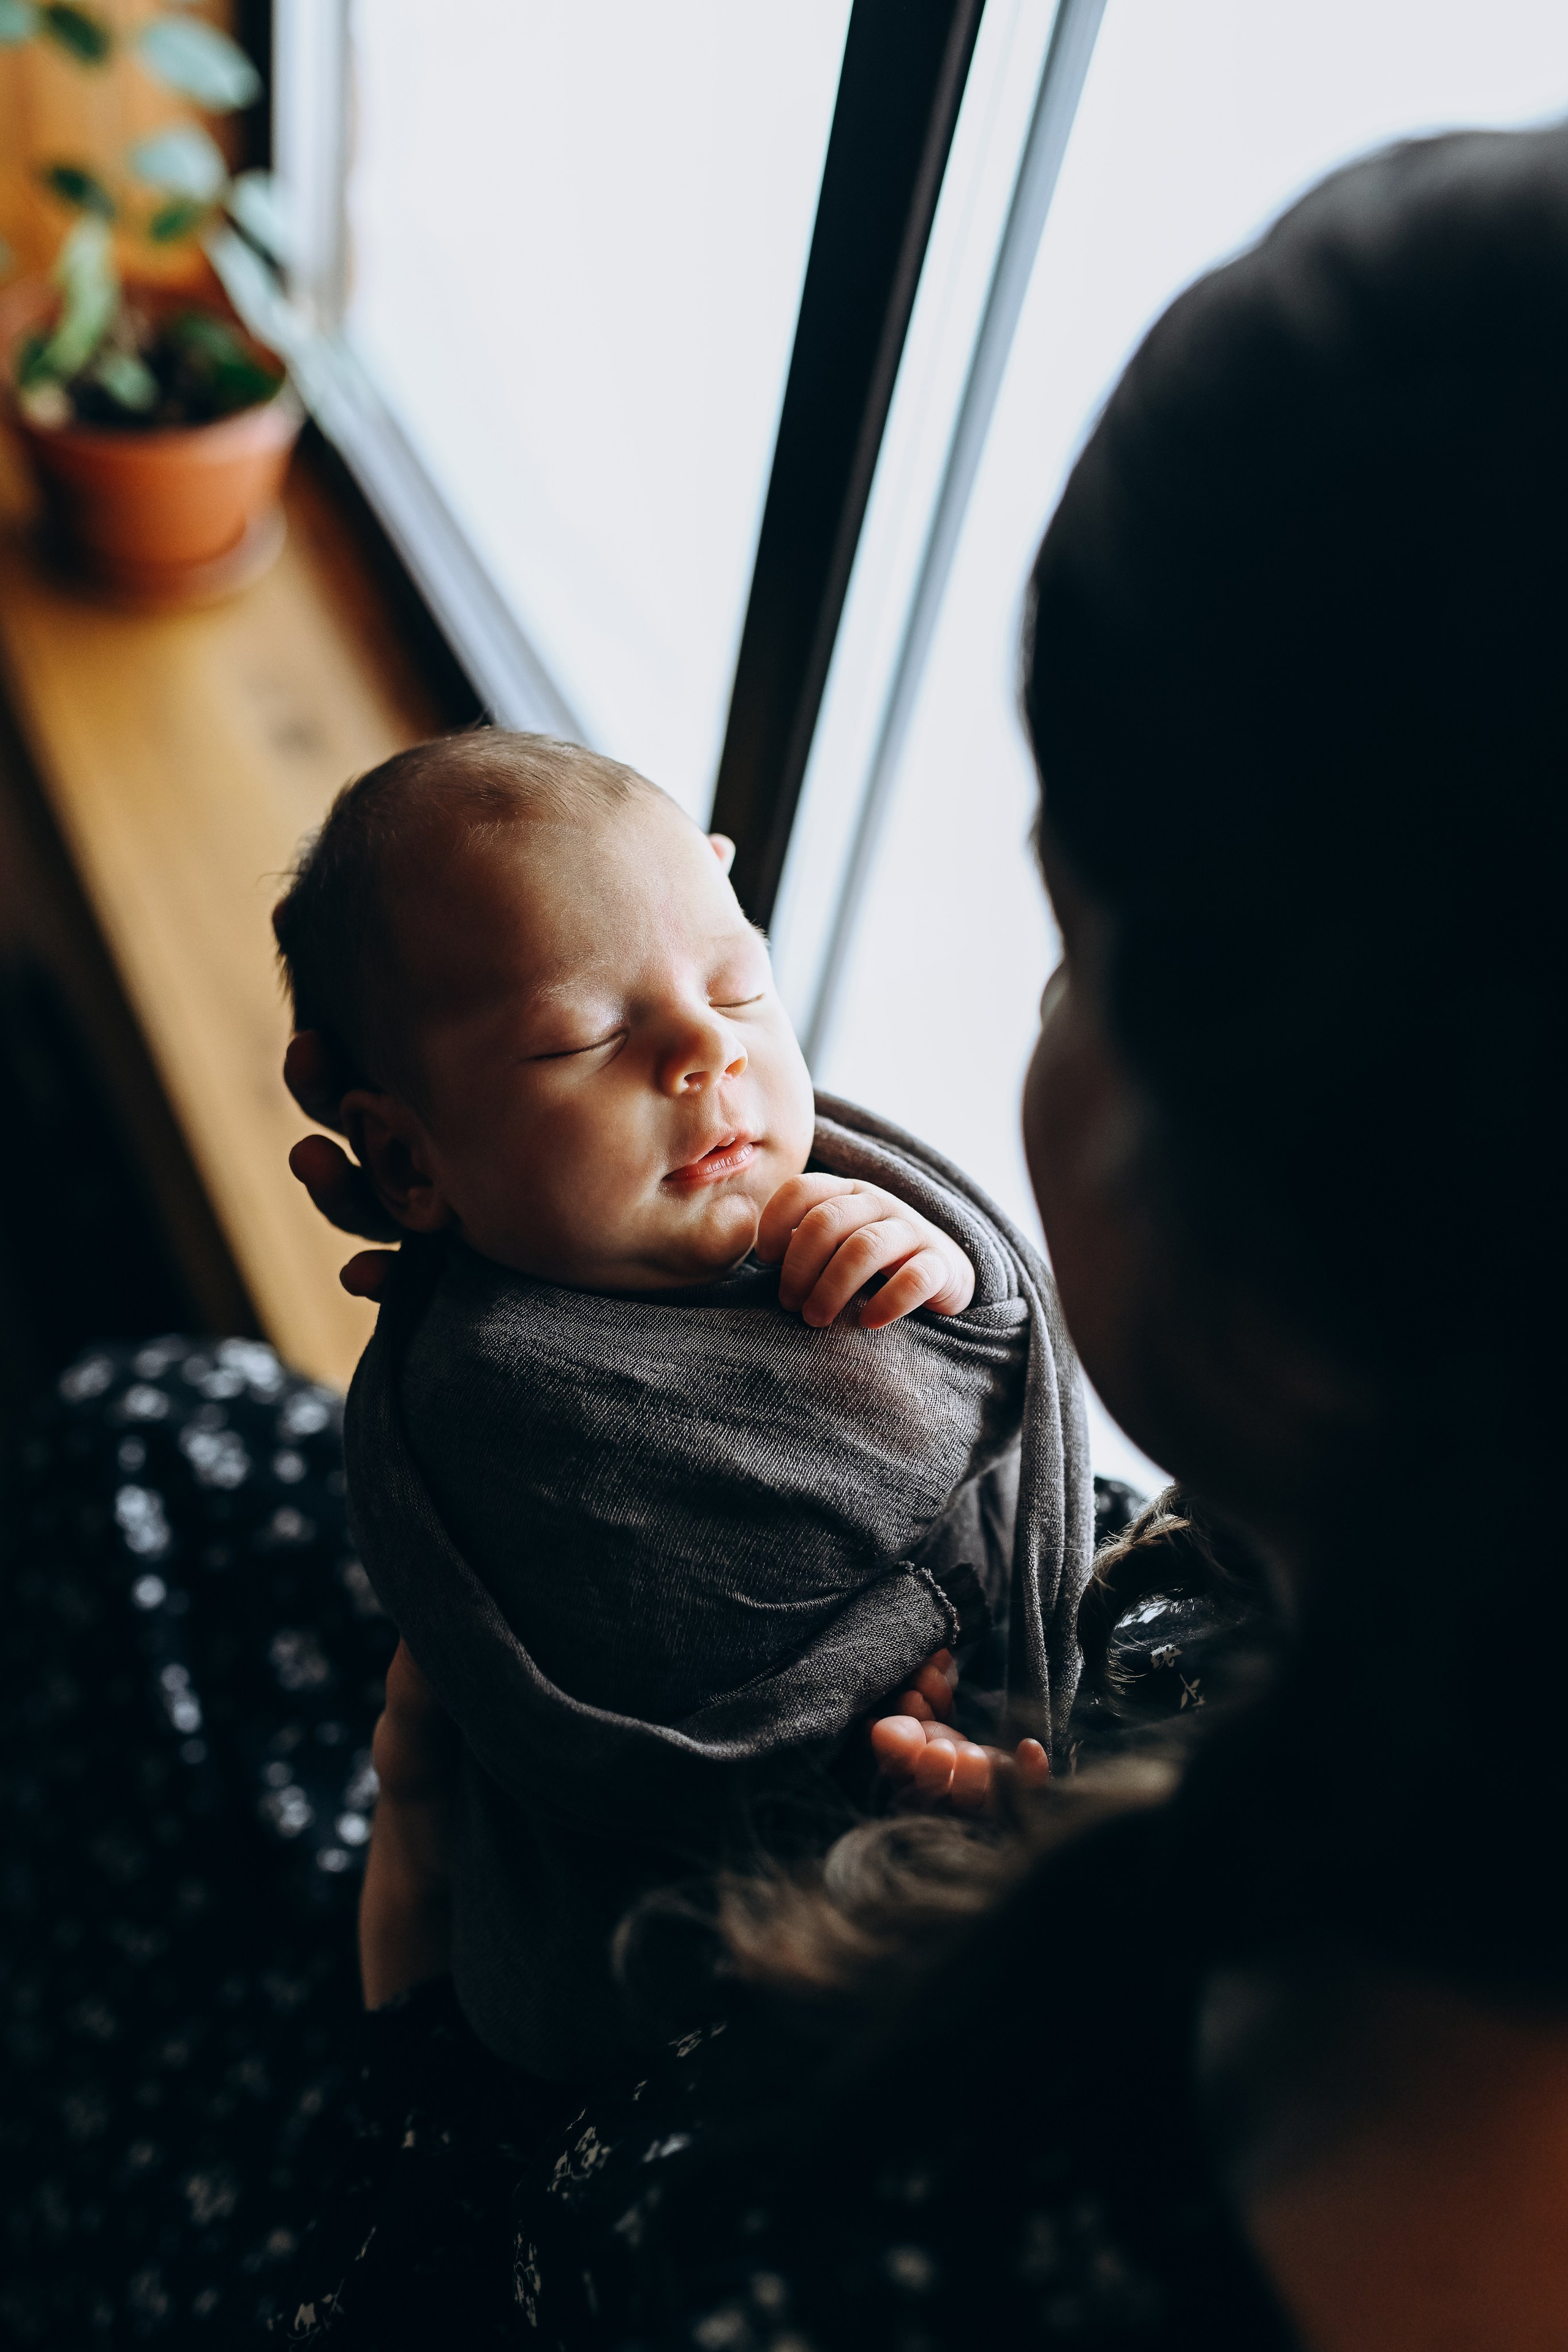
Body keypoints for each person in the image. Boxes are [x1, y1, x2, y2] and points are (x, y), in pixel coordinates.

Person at [272, 118, 1568, 2347]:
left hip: (529, 2055)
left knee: (128, 1483)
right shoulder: (1361, 1671)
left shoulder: (862, 2225)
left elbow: (462, 2281)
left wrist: (405, 1950)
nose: (743, 1077)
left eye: (1071, 956)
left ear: (1287, 1265)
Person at [268, 736, 1080, 2081]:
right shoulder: (498, 1396)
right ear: (407, 1156)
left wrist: (925, 1261)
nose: (706, 1049)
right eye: (584, 1035)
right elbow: (938, 1436)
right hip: (675, 2001)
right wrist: (948, 1339)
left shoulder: (762, 1213)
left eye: (738, 982)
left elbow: (971, 1364)